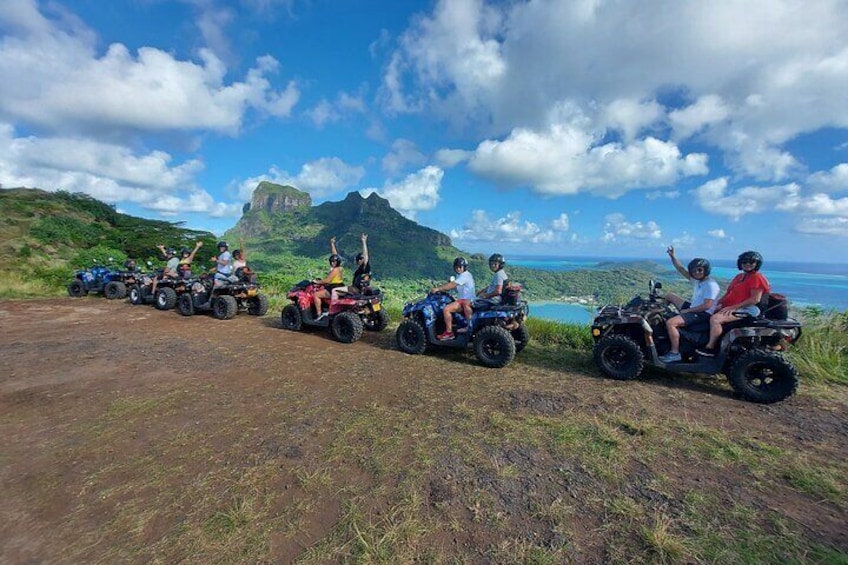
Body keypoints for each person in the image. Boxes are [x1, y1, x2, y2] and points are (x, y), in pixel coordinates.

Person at [696, 251, 770, 357]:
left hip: (748, 309)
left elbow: (754, 299)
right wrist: (715, 304)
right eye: (744, 262)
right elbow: (728, 294)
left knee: (715, 319)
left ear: (757, 263)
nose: (747, 264)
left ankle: (710, 348)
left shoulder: (756, 277)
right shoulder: (739, 277)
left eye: (751, 262)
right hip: (733, 306)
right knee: (707, 312)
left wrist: (732, 307)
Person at [658, 246, 720, 363]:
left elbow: (707, 306)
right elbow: (681, 269)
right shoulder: (699, 280)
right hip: (694, 307)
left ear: (706, 270)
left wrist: (687, 311)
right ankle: (662, 313)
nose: (696, 272)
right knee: (670, 295)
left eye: (699, 270)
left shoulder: (710, 285)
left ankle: (674, 353)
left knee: (671, 323)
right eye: (694, 270)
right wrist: (672, 256)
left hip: (702, 313)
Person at [432, 257, 476, 340]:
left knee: (446, 309)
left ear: (464, 267)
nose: (458, 269)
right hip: (464, 300)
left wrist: (438, 289)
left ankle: (449, 333)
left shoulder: (465, 275)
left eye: (460, 267)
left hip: (465, 301)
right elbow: (454, 285)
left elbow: (452, 285)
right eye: (456, 267)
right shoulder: (461, 275)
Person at [312, 237, 344, 321]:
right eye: (332, 261)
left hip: (333, 287)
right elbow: (335, 255)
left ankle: (318, 314)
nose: (333, 263)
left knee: (316, 295)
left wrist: (317, 281)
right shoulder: (340, 268)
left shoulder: (335, 270)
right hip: (340, 286)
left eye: (334, 262)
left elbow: (327, 281)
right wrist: (332, 244)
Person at [331, 233, 370, 300]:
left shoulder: (364, 268)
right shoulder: (363, 269)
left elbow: (365, 255)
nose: (360, 261)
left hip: (355, 289)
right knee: (342, 290)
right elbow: (336, 258)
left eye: (360, 259)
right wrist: (332, 245)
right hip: (356, 289)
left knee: (334, 290)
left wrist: (364, 242)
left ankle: (333, 309)